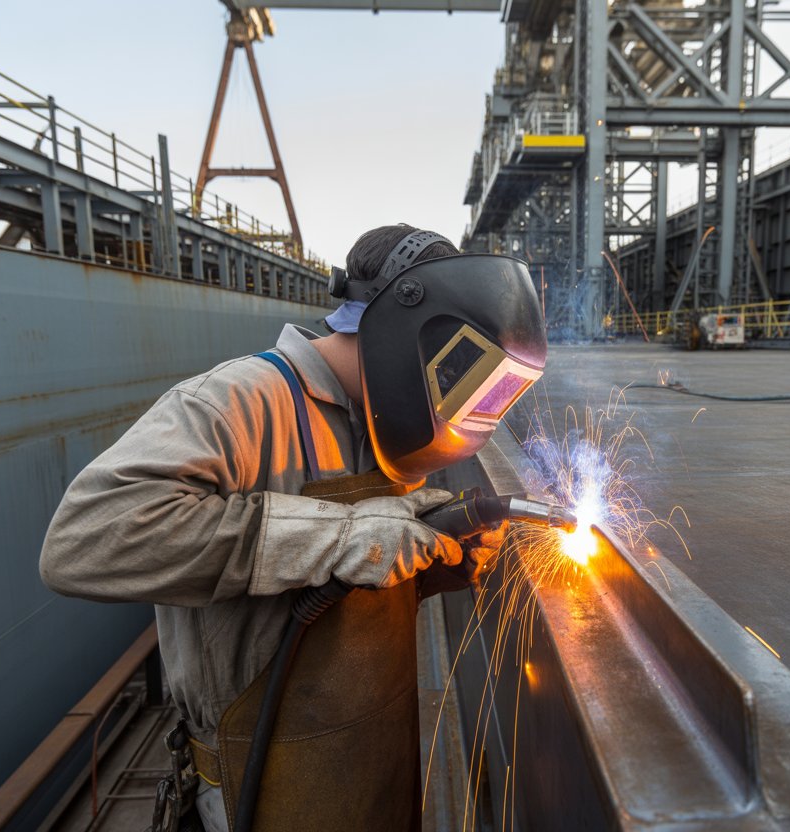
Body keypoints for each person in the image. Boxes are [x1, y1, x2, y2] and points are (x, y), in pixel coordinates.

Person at [39, 224, 548, 832]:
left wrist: (426, 568)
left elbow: (337, 588)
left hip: (375, 768)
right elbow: (81, 540)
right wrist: (335, 536)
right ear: (410, 335)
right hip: (262, 784)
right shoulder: (240, 400)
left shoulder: (386, 426)